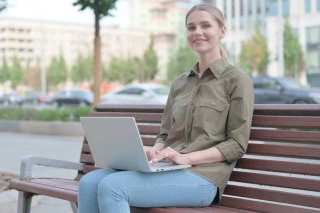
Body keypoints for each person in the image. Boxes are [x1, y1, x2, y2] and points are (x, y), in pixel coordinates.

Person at [78, 3, 254, 213]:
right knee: (88, 183)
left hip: (204, 178)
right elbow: (165, 133)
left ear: (222, 31)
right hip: (167, 169)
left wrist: (186, 158)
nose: (198, 32)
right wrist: (156, 152)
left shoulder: (237, 80)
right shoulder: (180, 83)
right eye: (191, 27)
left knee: (113, 187)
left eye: (206, 26)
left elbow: (236, 144)